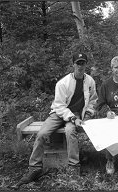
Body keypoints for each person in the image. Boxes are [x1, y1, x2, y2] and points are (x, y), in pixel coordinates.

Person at [15, 53, 98, 187]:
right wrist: (72, 117)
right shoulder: (63, 83)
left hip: (76, 114)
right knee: (42, 134)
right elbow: (59, 105)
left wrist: (87, 114)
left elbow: (93, 100)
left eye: (83, 63)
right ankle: (34, 168)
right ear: (73, 65)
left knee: (70, 131)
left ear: (86, 65)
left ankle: (73, 168)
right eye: (78, 63)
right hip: (59, 113)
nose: (80, 66)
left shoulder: (90, 81)